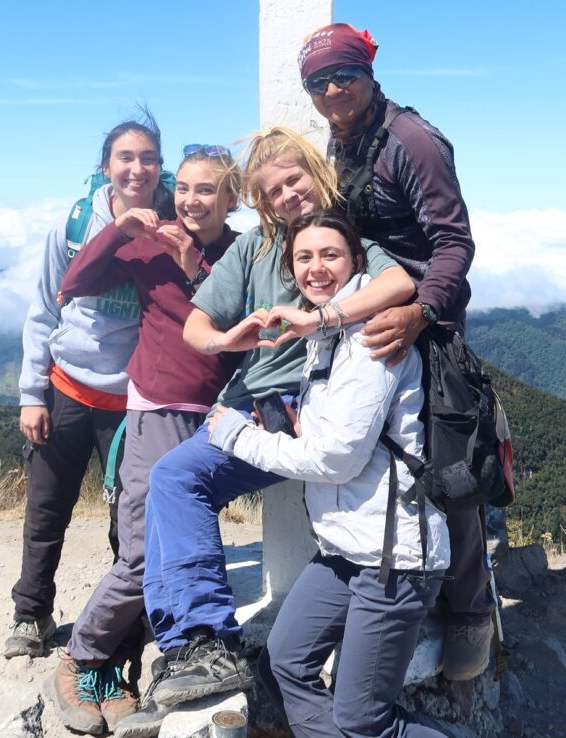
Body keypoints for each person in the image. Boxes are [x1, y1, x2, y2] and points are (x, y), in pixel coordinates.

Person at [118, 127, 414, 733]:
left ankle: (203, 642)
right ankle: (200, 642)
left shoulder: (343, 237)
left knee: (177, 477)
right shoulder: (253, 249)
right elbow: (198, 323)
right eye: (271, 190)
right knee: (174, 480)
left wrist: (319, 318)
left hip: (302, 404)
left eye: (293, 180)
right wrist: (226, 340)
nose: (284, 196)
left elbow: (399, 284)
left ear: (315, 173)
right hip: (249, 401)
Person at [298, 23, 496, 681]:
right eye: (318, 81)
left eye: (343, 75)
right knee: (389, 464)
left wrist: (422, 312)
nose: (332, 89)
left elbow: (454, 244)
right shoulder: (345, 138)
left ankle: (469, 614)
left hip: (425, 327)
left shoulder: (411, 141)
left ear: (368, 73)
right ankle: (391, 586)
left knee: (443, 466)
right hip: (370, 325)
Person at [209, 210, 447, 737]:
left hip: (394, 558)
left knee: (365, 720)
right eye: (304, 258)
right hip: (345, 548)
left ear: (357, 263)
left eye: (330, 255)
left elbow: (338, 458)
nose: (316, 268)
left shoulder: (371, 337)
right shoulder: (328, 333)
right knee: (283, 662)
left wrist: (236, 436)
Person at [41, 138, 243, 734]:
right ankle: (80, 658)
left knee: (178, 542)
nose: (190, 199)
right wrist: (118, 228)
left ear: (232, 198)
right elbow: (74, 283)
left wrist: (194, 272)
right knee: (139, 552)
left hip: (216, 416)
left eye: (206, 189)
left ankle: (163, 653)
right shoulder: (146, 242)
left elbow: (242, 322)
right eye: (183, 187)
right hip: (156, 410)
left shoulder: (241, 253)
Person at [8, 112, 173, 662]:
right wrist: (32, 393)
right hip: (67, 386)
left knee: (128, 519)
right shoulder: (76, 224)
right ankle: (31, 614)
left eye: (148, 158)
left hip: (133, 400)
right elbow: (43, 308)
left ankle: (124, 620)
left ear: (159, 166)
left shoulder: (173, 223)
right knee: (47, 509)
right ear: (105, 167)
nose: (137, 168)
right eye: (125, 157)